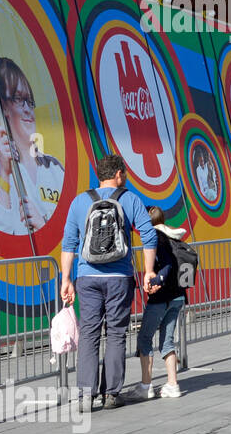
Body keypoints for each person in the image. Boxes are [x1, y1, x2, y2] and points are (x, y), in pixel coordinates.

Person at [59, 154, 158, 412]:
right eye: (124, 173)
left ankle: (85, 396)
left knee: (89, 334)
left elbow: (69, 243)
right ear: (118, 175)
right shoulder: (130, 199)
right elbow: (149, 236)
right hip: (119, 277)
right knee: (115, 333)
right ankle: (112, 393)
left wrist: (66, 279)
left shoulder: (80, 201)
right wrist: (148, 271)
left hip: (87, 277)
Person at [0, 57, 64, 235]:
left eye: (29, 101)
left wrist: (43, 223)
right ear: (3, 108)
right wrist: (5, 175)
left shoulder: (53, 167)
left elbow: (72, 226)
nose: (27, 109)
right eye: (18, 99)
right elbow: (0, 230)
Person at [132, 206, 191, 399]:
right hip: (178, 296)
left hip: (161, 298)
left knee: (144, 339)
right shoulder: (173, 235)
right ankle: (173, 384)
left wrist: (156, 281)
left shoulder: (156, 237)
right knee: (167, 340)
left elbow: (166, 265)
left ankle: (145, 385)